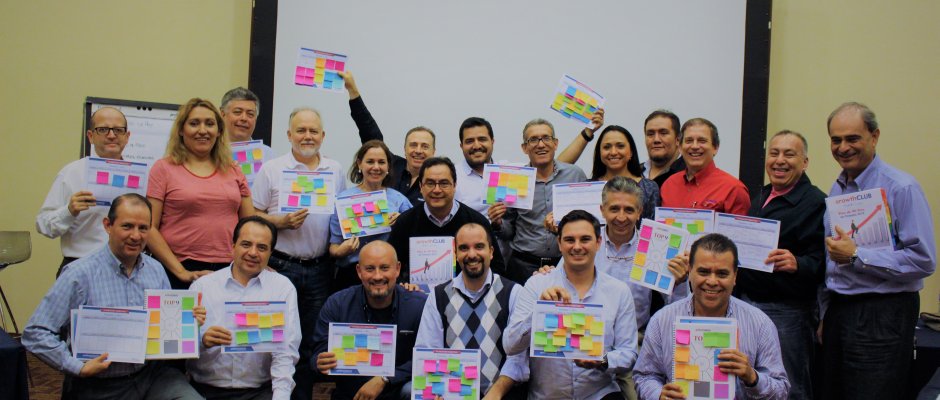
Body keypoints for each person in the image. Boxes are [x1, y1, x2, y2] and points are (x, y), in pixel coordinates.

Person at [23, 194, 204, 399]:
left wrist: (187, 323)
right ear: (108, 225)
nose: (136, 236)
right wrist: (77, 367)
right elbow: (35, 332)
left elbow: (164, 331)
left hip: (150, 375)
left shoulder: (156, 270)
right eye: (127, 226)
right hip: (99, 383)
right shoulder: (79, 274)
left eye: (143, 228)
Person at [821, 102, 936, 400]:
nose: (843, 147)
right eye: (836, 140)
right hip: (841, 310)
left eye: (852, 138)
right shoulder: (838, 188)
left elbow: (924, 260)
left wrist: (857, 255)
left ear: (874, 137)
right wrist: (825, 313)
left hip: (882, 313)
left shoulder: (902, 188)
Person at [252, 106, 347, 400]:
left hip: (320, 268)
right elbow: (252, 216)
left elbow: (341, 216)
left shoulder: (335, 169)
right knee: (277, 336)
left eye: (313, 131)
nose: (307, 136)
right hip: (281, 266)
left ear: (323, 135)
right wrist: (279, 222)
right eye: (301, 130)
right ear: (289, 134)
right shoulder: (272, 169)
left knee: (310, 341)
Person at [634, 233, 790, 400]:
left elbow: (781, 390)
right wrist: (659, 395)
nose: (712, 281)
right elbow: (644, 376)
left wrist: (752, 377)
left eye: (722, 274)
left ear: (735, 276)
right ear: (690, 271)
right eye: (704, 272)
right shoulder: (662, 320)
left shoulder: (759, 323)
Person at [504, 210, 638, 400]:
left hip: (599, 394)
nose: (577, 246)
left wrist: (603, 360)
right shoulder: (537, 285)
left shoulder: (619, 291)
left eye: (585, 239)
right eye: (569, 240)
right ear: (559, 243)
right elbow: (510, 346)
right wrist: (539, 312)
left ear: (598, 242)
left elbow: (629, 353)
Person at [735, 130, 826, 400]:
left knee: (790, 386)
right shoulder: (763, 195)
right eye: (774, 153)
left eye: (789, 154)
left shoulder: (816, 202)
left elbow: (826, 261)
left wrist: (799, 263)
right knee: (754, 384)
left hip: (788, 313)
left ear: (805, 162)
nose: (780, 160)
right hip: (751, 304)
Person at [188, 216, 302, 400]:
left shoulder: (282, 288)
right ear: (233, 245)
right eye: (246, 244)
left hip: (260, 391)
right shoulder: (202, 287)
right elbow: (178, 346)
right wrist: (202, 341)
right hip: (205, 390)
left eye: (262, 247)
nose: (253, 253)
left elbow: (285, 352)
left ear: (271, 253)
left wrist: (280, 396)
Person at [146, 98, 254, 289]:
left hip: (229, 271)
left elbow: (250, 225)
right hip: (177, 271)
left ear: (219, 131)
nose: (203, 130)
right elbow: (149, 227)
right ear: (181, 130)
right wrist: (181, 272)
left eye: (210, 124)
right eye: (194, 123)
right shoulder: (163, 168)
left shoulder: (234, 170)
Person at [415, 223, 528, 399]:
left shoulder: (513, 292)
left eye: (479, 246)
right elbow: (428, 352)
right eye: (464, 248)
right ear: (455, 254)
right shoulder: (438, 296)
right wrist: (436, 390)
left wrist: (496, 393)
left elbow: (518, 357)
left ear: (491, 252)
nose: (472, 254)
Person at [313, 241, 427, 400]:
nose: (378, 276)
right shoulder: (338, 304)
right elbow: (317, 354)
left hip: (398, 392)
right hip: (352, 395)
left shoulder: (419, 305)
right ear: (359, 271)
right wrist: (320, 362)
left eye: (385, 268)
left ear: (397, 269)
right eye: (370, 269)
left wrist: (385, 379)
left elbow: (427, 358)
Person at [37, 107, 133, 276]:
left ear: (127, 136)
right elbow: (43, 225)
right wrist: (69, 211)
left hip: (127, 269)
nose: (111, 135)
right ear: (90, 136)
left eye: (118, 130)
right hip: (79, 268)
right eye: (103, 129)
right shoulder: (72, 173)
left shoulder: (139, 176)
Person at [490, 119, 587, 283]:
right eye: (533, 140)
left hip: (564, 264)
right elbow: (509, 232)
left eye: (546, 138)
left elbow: (587, 221)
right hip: (522, 266)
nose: (541, 144)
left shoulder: (575, 175)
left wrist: (563, 226)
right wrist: (498, 223)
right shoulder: (512, 180)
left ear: (555, 143)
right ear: (524, 148)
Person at [387, 157, 507, 283]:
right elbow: (390, 267)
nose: (437, 190)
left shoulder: (476, 222)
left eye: (444, 183)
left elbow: (497, 268)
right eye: (430, 183)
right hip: (417, 293)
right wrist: (404, 286)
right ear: (421, 187)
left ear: (454, 185)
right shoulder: (405, 222)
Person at [340, 71, 434, 206]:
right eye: (413, 145)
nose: (418, 151)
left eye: (425, 146)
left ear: (434, 151)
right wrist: (353, 91)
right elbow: (368, 130)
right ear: (404, 149)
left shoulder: (436, 181)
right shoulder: (390, 165)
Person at [329, 140, 413, 291]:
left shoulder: (399, 200)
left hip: (387, 276)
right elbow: (333, 247)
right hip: (350, 275)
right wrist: (341, 251)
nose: (376, 167)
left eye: (381, 162)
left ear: (388, 167)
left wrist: (402, 221)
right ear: (359, 164)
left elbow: (413, 240)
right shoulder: (343, 200)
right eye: (370, 161)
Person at [553, 124, 661, 221]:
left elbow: (652, 230)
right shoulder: (587, 188)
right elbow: (559, 167)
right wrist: (587, 131)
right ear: (599, 153)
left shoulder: (649, 188)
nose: (613, 152)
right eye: (607, 147)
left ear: (631, 152)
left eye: (620, 146)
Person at [660, 118, 750, 215]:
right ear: (680, 147)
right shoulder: (669, 185)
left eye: (702, 141)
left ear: (715, 147)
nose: (694, 146)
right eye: (689, 141)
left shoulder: (734, 189)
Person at [220, 87, 276, 187]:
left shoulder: (268, 155)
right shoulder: (210, 150)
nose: (244, 118)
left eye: (250, 114)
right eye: (237, 112)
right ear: (222, 114)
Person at [641, 110, 686, 187]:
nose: (656, 140)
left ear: (678, 139)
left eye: (663, 133)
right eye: (650, 134)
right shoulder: (634, 173)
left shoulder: (689, 174)